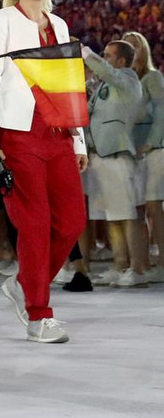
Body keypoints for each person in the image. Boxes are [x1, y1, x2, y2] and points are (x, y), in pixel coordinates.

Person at [0, 0, 89, 342]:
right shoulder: (1, 21)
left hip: (58, 135)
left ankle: (25, 281)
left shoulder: (58, 24)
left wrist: (79, 141)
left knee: (72, 222)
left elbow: (68, 87)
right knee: (36, 225)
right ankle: (39, 313)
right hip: (18, 136)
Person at [80, 39, 147, 286]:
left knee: (127, 216)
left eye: (108, 55)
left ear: (121, 61)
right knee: (111, 216)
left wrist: (85, 53)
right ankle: (119, 266)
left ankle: (137, 269)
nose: (103, 58)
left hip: (117, 156)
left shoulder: (127, 80)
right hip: (100, 157)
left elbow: (108, 73)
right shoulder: (104, 86)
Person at [122, 31, 164, 282]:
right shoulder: (124, 82)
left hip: (153, 149)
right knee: (136, 209)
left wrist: (149, 144)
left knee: (153, 207)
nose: (133, 48)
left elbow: (161, 113)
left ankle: (162, 261)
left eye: (136, 44)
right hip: (130, 151)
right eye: (128, 45)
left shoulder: (153, 77)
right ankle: (142, 264)